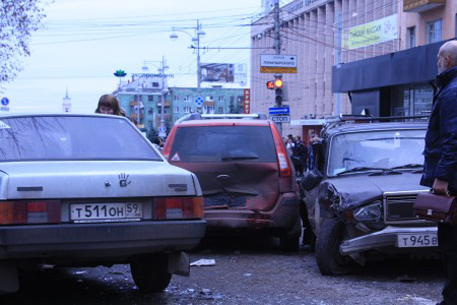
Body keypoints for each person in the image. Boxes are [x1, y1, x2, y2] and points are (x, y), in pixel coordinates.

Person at [420, 40, 457, 305]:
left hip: (454, 181)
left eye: (438, 58)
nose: (437, 63)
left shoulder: (452, 92)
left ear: (447, 61)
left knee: (451, 244)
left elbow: (452, 138)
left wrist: (442, 177)